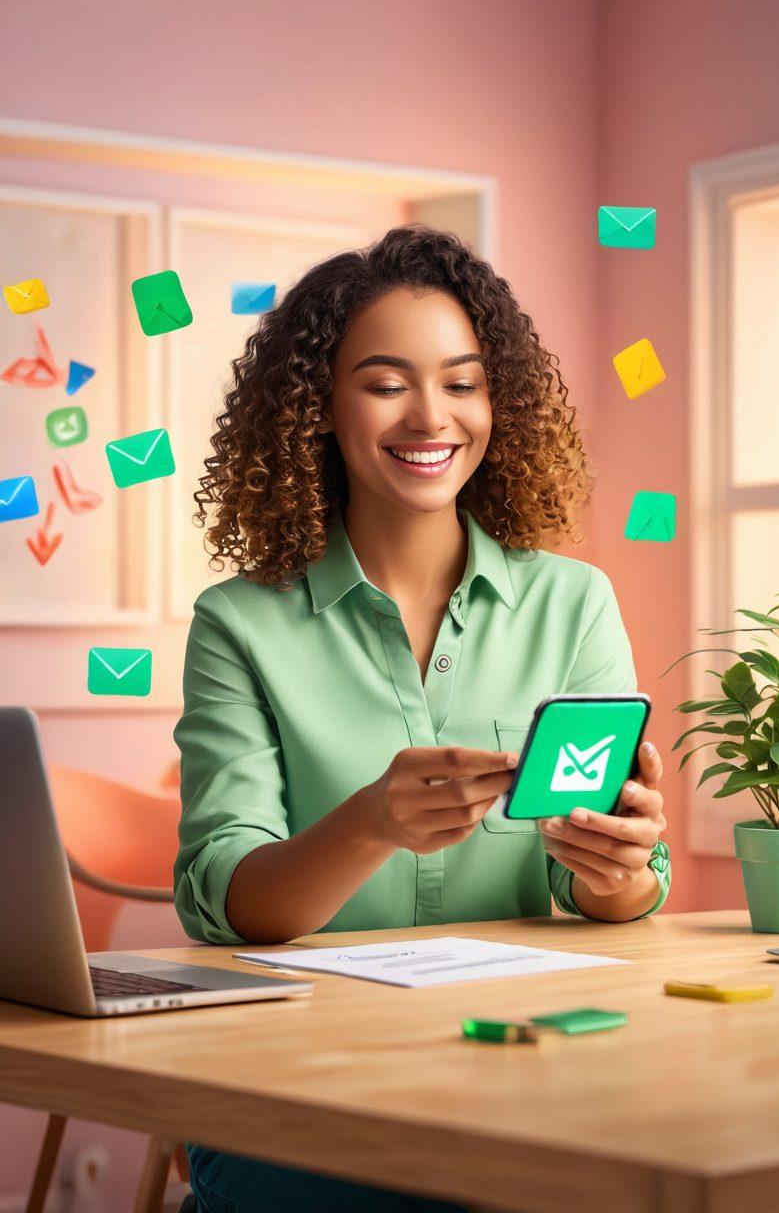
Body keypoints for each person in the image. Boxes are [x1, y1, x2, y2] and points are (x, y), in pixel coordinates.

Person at [173, 225, 671, 1212]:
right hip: (296, 1079)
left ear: (497, 401)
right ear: (320, 405)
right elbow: (225, 897)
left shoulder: (573, 602)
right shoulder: (238, 623)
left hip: (524, 1067)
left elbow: (609, 893)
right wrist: (369, 822)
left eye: (462, 382)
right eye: (385, 382)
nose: (431, 415)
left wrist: (619, 870)